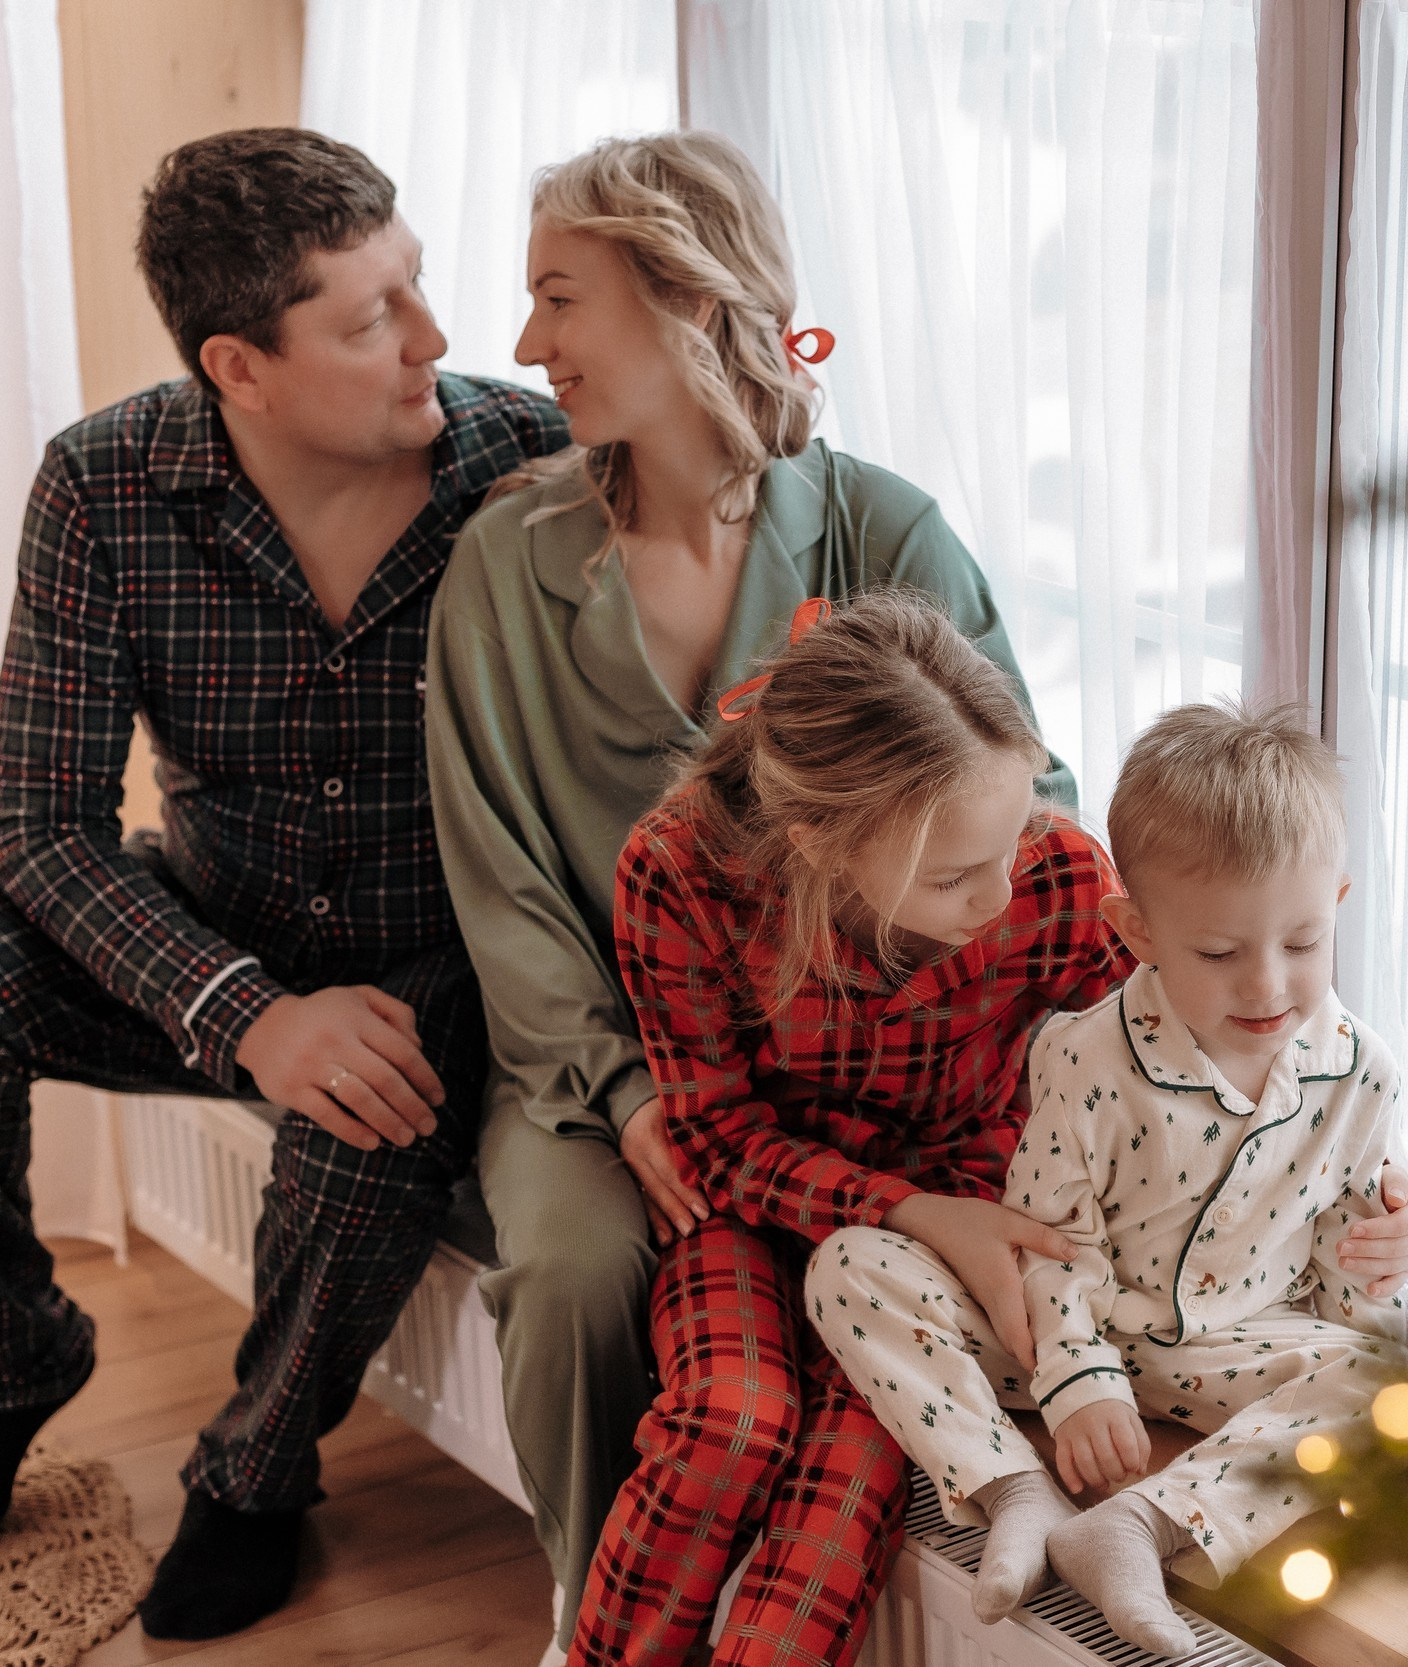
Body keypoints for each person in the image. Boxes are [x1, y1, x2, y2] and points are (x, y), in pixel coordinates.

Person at [0, 128, 567, 1641]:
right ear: (240, 364)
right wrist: (241, 1009)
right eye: (372, 320)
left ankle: (254, 1476)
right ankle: (7, 1371)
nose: (436, 337)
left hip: (438, 961)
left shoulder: (533, 462)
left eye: (417, 283)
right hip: (208, 928)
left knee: (380, 1091)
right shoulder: (105, 482)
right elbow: (43, 821)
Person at [422, 131, 1081, 1653]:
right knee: (583, 1262)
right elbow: (504, 887)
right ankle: (589, 1601)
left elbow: (1022, 802)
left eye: (558, 298)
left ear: (686, 301)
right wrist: (634, 1094)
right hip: (605, 1064)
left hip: (882, 1073)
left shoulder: (883, 529)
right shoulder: (502, 567)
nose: (525, 347)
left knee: (843, 1350)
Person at [807, 700, 1408, 1655]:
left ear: (1336, 903)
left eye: (1300, 943)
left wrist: (1389, 1253)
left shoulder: (1362, 1072)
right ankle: (1014, 1486)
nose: (1266, 986)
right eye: (1219, 953)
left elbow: (1345, 1283)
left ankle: (1142, 1525)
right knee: (850, 1267)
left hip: (1234, 1354)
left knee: (1388, 1377)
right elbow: (1046, 1242)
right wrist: (1080, 1381)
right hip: (1064, 1333)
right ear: (1135, 931)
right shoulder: (1088, 1060)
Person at [599, 592, 1132, 1664]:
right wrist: (911, 1208)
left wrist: (1368, 1182)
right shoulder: (677, 869)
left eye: (1013, 836)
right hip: (756, 1207)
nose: (999, 889)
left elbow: (1174, 1071)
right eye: (951, 874)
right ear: (821, 841)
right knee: (729, 1419)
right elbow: (716, 1137)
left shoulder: (1057, 877)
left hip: (941, 1248)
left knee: (852, 1466)